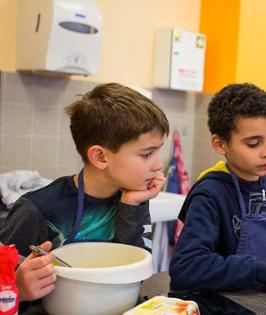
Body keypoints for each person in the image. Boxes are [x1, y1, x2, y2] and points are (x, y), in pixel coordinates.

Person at [0, 83, 169, 307]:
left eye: (158, 151)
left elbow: (136, 274)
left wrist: (131, 206)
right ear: (100, 157)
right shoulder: (37, 210)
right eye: (147, 154)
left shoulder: (132, 198)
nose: (158, 165)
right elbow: (4, 289)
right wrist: (19, 290)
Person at [169, 83, 266, 303]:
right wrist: (263, 273)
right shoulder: (210, 194)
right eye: (253, 143)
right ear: (220, 144)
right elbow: (187, 267)